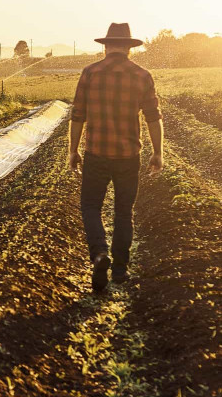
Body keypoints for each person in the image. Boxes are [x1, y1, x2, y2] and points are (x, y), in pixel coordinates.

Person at [67, 23, 163, 293]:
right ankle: (120, 271)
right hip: (128, 155)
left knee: (90, 207)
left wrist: (73, 151)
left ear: (106, 46)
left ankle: (99, 254)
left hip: (96, 152)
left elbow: (77, 116)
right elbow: (153, 118)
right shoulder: (142, 75)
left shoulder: (90, 73)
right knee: (124, 212)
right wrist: (158, 152)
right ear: (129, 48)